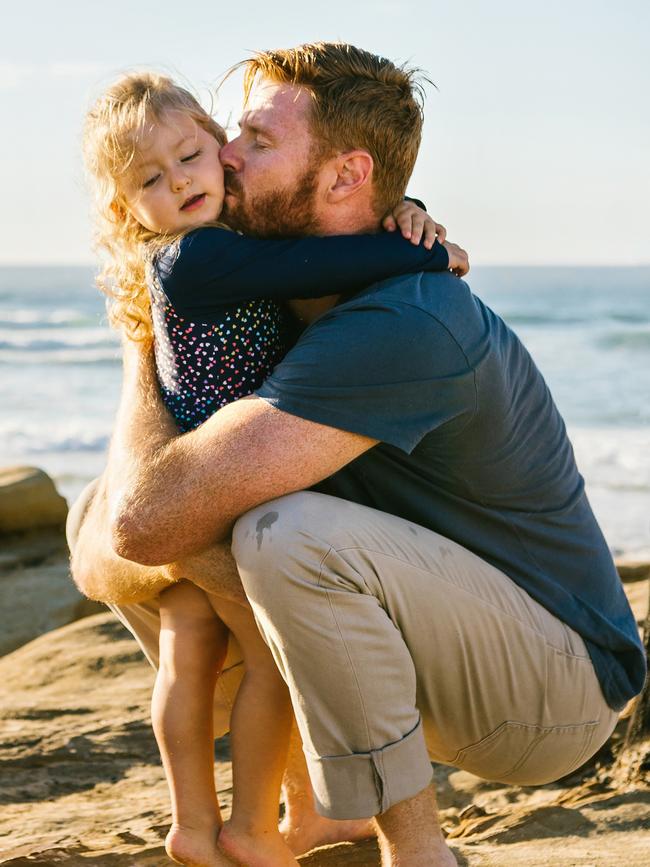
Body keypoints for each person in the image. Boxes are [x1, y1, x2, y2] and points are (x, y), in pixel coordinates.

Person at [70, 43, 646, 867]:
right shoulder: (272, 283)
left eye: (257, 141)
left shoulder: (406, 320)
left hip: (554, 684)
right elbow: (121, 528)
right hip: (437, 637)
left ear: (345, 177)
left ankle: (416, 852)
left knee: (280, 532)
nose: (227, 155)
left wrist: (142, 352)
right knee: (117, 502)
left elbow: (149, 523)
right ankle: (310, 810)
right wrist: (144, 329)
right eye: (232, 134)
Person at [79, 69, 464, 867]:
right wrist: (419, 252)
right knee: (277, 657)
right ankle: (253, 824)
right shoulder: (197, 258)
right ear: (127, 207)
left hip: (201, 469)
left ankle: (194, 822)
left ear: (218, 144)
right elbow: (315, 268)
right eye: (151, 177)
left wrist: (411, 212)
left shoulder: (213, 246)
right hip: (215, 486)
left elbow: (311, 243)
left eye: (190, 153)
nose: (181, 179)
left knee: (189, 647)